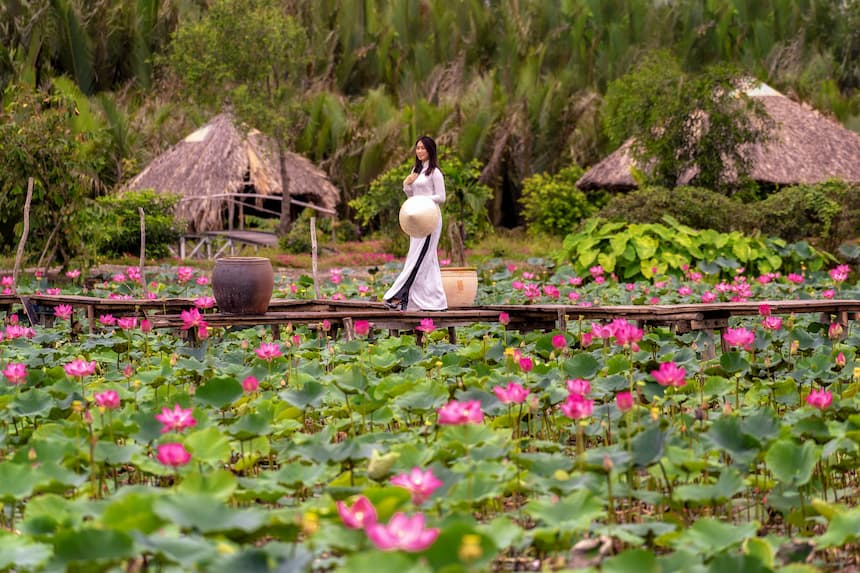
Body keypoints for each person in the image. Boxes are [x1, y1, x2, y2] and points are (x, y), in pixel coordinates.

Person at [383, 136, 448, 311]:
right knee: (425, 258)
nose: (419, 151)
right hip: (417, 219)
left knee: (420, 258)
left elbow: (441, 197)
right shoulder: (416, 170)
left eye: (423, 148)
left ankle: (396, 296)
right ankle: (435, 301)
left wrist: (423, 199)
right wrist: (406, 185)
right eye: (417, 148)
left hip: (430, 219)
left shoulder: (435, 172)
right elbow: (411, 197)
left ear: (430, 151)